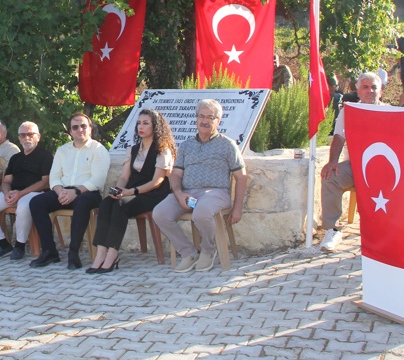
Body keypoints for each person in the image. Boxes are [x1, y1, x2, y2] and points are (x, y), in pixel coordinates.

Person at [152, 100, 248, 273]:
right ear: (196, 118)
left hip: (215, 193)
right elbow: (176, 175)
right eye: (201, 116)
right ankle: (188, 252)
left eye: (210, 117)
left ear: (218, 121)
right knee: (160, 213)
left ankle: (208, 250)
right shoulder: (186, 145)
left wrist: (237, 208)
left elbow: (241, 177)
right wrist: (179, 194)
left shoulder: (227, 145)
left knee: (201, 212)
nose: (205, 121)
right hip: (187, 194)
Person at [89, 109, 175, 274]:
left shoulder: (162, 150)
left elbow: (157, 182)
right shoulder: (133, 149)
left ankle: (112, 254)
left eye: (145, 123)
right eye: (139, 123)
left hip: (153, 193)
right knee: (106, 203)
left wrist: (130, 192)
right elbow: (124, 176)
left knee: (120, 205)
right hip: (132, 190)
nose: (140, 127)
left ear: (155, 126)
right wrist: (118, 189)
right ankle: (100, 253)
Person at [29, 113, 109, 270]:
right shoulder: (62, 150)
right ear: (70, 131)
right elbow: (54, 177)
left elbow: (98, 180)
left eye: (83, 126)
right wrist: (60, 191)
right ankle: (49, 251)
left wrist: (76, 192)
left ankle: (73, 252)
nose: (80, 129)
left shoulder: (99, 150)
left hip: (88, 193)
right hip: (64, 192)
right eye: (75, 127)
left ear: (90, 128)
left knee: (82, 202)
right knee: (37, 203)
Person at [319, 72, 385, 252]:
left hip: (382, 171)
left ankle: (385, 232)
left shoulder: (390, 112)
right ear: (358, 91)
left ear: (380, 92)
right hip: (354, 167)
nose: (370, 91)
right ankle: (332, 230)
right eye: (365, 87)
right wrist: (332, 161)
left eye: (374, 87)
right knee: (330, 177)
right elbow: (339, 137)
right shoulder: (348, 111)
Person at [0, 121, 53, 261]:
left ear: (38, 136)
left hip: (36, 194)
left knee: (23, 206)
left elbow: (45, 182)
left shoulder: (45, 155)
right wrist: (7, 193)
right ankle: (3, 245)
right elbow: (6, 181)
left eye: (30, 134)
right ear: (19, 138)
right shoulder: (15, 158)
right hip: (14, 193)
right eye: (22, 135)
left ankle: (19, 246)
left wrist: (20, 194)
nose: (26, 138)